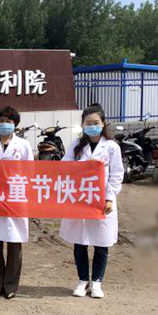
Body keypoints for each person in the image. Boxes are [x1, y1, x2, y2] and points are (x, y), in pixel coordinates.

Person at [60, 104, 123, 299]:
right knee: (79, 242)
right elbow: (64, 166)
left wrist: (109, 198)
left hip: (101, 201)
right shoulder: (76, 145)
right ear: (83, 125)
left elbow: (117, 174)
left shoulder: (111, 147)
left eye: (96, 123)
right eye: (88, 123)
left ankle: (97, 282)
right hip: (80, 200)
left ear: (103, 124)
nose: (92, 126)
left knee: (101, 243)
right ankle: (82, 281)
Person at [0, 106, 34, 300]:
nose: (5, 124)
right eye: (1, 121)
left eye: (9, 121)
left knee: (14, 243)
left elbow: (30, 172)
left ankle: (10, 285)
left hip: (15, 197)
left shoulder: (24, 145)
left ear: (15, 124)